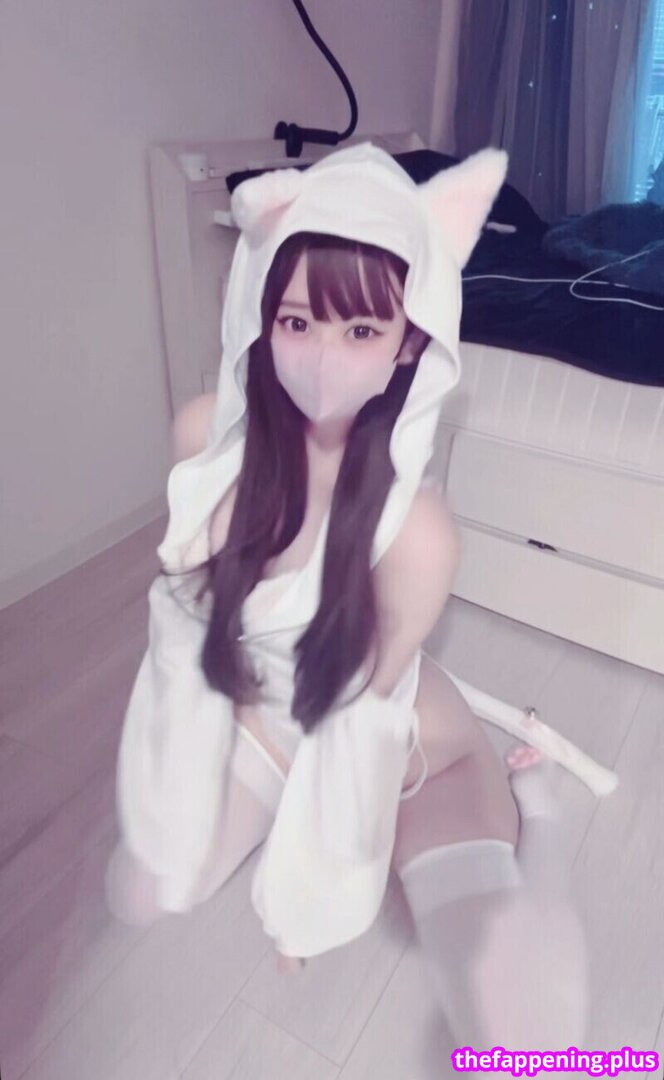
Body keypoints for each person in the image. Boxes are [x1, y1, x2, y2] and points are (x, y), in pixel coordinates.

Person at [106, 143, 606, 1053]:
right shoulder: (204, 443)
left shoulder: (418, 529)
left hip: (409, 754)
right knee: (140, 888)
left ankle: (536, 810)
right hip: (272, 719)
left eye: (363, 331)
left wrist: (305, 901)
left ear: (410, 341)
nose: (322, 361)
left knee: (525, 1046)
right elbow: (185, 640)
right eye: (298, 322)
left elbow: (350, 734)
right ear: (261, 315)